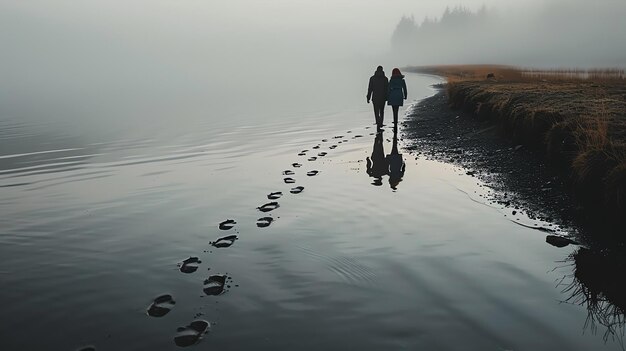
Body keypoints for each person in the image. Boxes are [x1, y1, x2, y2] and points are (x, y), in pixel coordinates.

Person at [366, 66, 388, 130]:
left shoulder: (372, 78)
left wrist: (368, 97)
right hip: (383, 98)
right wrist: (387, 97)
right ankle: (381, 122)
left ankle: (378, 122)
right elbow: (387, 89)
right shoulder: (385, 79)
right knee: (382, 111)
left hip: (375, 98)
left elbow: (370, 89)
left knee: (376, 111)